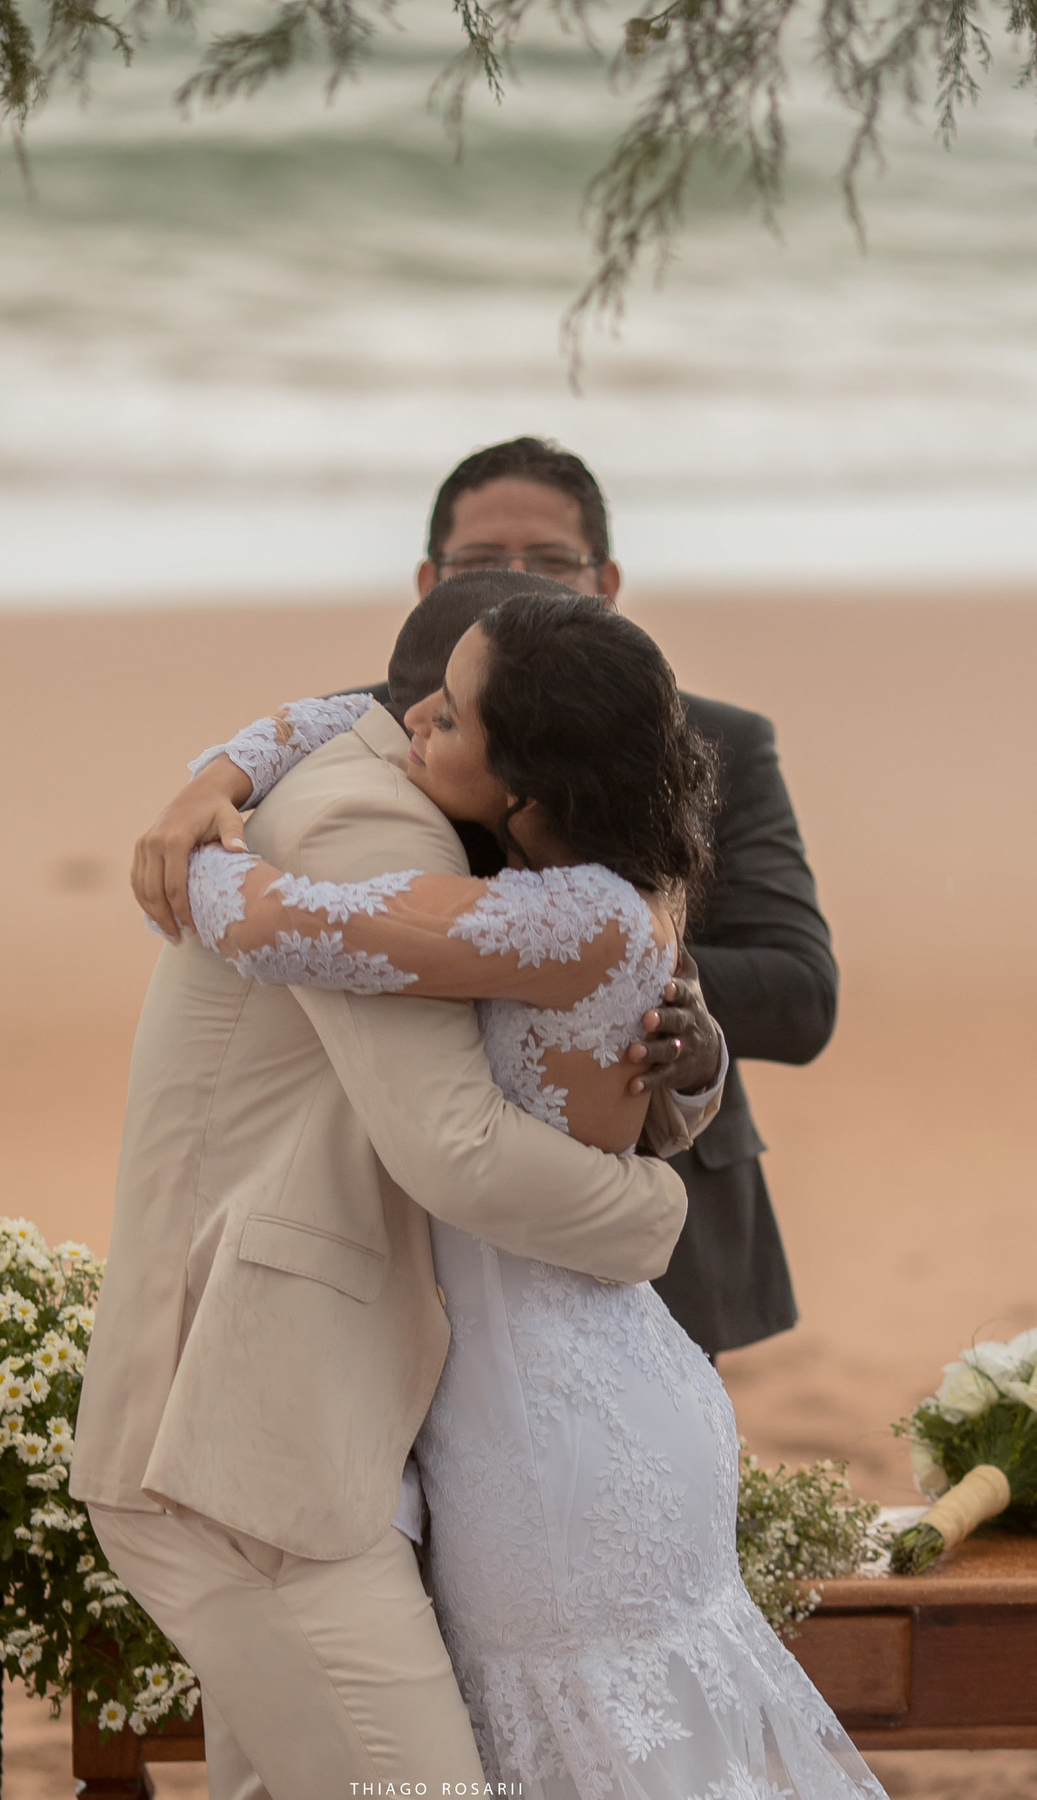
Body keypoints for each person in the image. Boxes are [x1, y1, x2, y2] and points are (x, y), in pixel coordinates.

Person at [176, 587, 885, 1800]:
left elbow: (280, 927)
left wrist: (192, 844)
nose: (412, 721)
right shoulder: (618, 879)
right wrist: (221, 773)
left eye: (450, 719)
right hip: (589, 1391)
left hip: (551, 1441)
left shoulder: (567, 917)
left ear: (533, 791)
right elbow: (362, 715)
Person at [71, 575, 719, 1799]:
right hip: (252, 1440)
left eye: (456, 713)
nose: (423, 719)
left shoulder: (479, 841)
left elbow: (555, 1044)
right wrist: (656, 1219)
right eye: (433, 702)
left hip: (341, 1425)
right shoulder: (371, 820)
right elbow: (456, 1146)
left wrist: (212, 792)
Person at [141, 438, 836, 1358]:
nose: (519, 581)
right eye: (480, 563)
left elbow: (803, 994)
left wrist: (632, 985)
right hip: (417, 1226)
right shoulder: (407, 719)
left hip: (646, 1200)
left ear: (605, 582)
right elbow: (331, 717)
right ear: (430, 582)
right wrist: (208, 784)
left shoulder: (712, 745)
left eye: (551, 560)